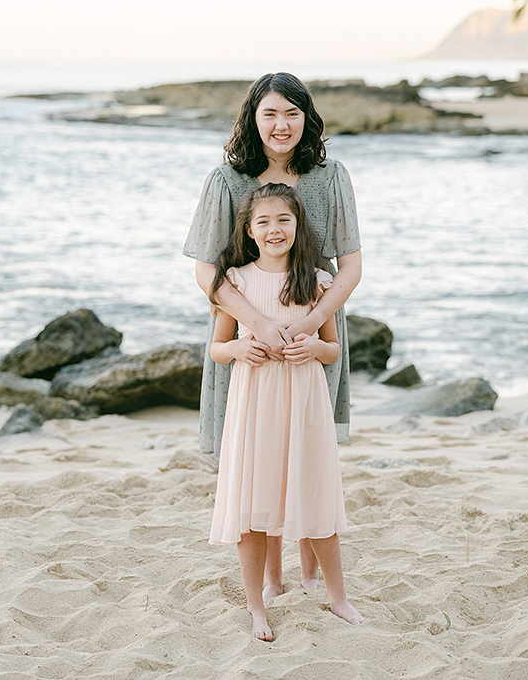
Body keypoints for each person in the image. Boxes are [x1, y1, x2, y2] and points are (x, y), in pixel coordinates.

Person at [184, 72, 362, 598]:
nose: (281, 125)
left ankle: (312, 576)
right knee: (258, 451)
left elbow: (350, 268)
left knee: (310, 447)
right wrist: (257, 324)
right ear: (252, 119)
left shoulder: (332, 177)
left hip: (315, 312)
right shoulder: (226, 180)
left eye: (291, 113)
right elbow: (206, 271)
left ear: (306, 117)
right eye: (270, 113)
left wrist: (308, 323)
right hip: (247, 319)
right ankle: (270, 580)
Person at [207, 183, 364, 641]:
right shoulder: (235, 281)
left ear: (297, 226)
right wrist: (237, 347)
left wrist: (315, 345)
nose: (274, 230)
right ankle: (257, 607)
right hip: (254, 400)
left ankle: (338, 598)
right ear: (249, 231)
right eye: (264, 222)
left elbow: (334, 351)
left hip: (304, 399)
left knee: (315, 493)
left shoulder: (316, 280)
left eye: (283, 220)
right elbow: (216, 348)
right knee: (253, 500)